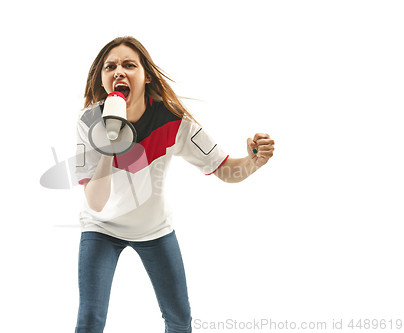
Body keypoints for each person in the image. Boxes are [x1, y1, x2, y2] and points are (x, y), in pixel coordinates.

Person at [74, 36, 274, 333]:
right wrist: (107, 147)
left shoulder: (173, 122)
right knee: (90, 320)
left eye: (129, 64)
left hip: (154, 229)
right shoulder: (89, 121)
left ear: (146, 76)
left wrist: (253, 161)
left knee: (179, 319)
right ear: (102, 80)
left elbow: (225, 170)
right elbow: (96, 201)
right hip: (101, 227)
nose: (118, 71)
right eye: (110, 66)